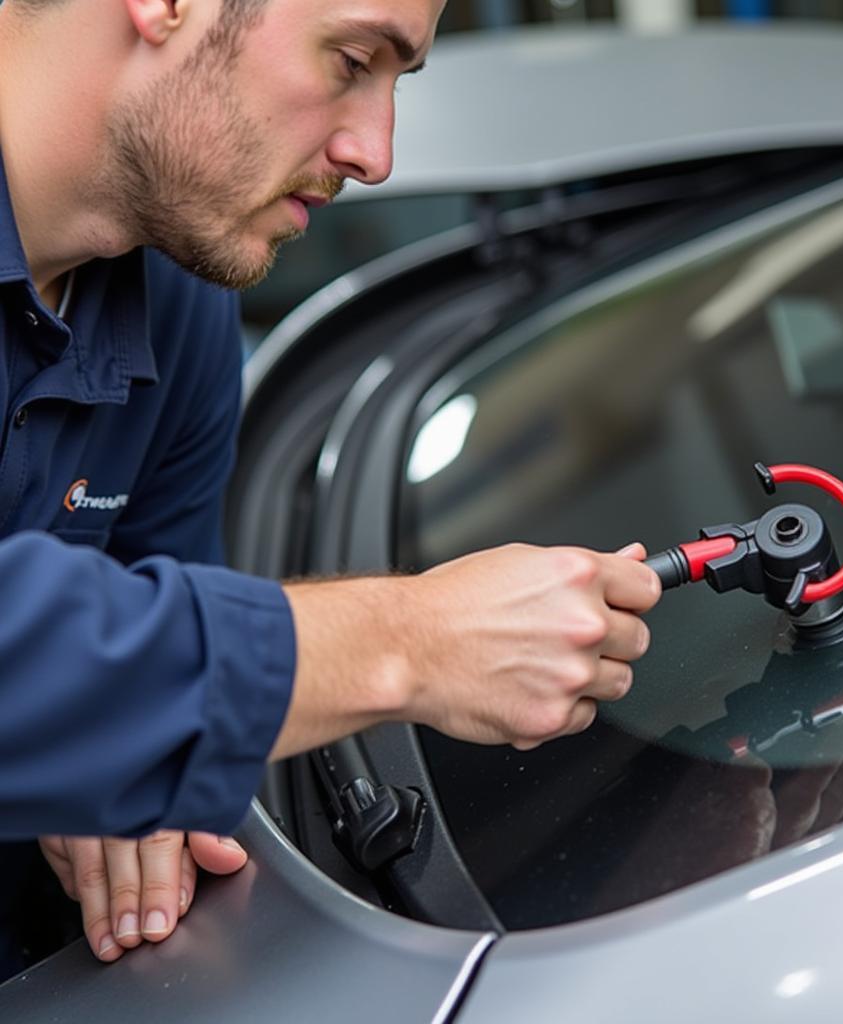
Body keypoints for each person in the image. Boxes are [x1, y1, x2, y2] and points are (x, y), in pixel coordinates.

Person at [0, 0, 660, 972]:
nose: (375, 153)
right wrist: (411, 640)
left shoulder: (176, 309)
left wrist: (125, 735)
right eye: (352, 61)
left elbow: (157, 640)